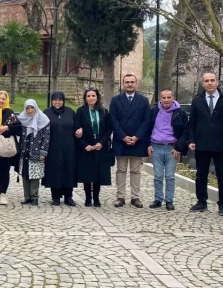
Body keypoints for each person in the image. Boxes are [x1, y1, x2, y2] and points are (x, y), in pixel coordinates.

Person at [188, 73, 223, 214]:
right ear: (202, 84)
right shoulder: (197, 101)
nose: (210, 83)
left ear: (217, 82)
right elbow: (192, 123)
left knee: (222, 175)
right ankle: (201, 202)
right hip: (202, 144)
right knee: (201, 174)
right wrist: (191, 140)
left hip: (221, 144)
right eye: (206, 81)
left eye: (212, 80)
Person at [109, 74, 151, 208]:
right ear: (123, 84)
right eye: (127, 82)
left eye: (132, 82)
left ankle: (135, 197)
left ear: (136, 84)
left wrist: (137, 137)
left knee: (135, 171)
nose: (130, 84)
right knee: (120, 170)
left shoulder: (144, 100)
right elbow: (113, 120)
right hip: (121, 140)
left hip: (138, 141)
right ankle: (120, 197)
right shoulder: (115, 100)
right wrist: (123, 136)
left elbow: (147, 121)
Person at [147, 89, 188, 211]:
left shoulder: (180, 113)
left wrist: (178, 147)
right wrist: (148, 144)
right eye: (163, 97)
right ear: (160, 98)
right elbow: (147, 128)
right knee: (158, 176)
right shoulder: (154, 111)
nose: (166, 100)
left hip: (172, 148)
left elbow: (185, 131)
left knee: (170, 176)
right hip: (156, 147)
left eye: (168, 97)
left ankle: (169, 200)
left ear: (173, 98)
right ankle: (158, 199)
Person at [74, 88, 112, 207]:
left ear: (97, 97)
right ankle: (88, 198)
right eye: (88, 96)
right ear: (85, 98)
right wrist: (85, 144)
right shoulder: (80, 111)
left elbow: (108, 129)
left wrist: (101, 143)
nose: (91, 98)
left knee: (98, 174)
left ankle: (96, 198)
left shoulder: (104, 111)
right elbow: (76, 129)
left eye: (93, 96)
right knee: (87, 174)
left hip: (100, 146)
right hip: (86, 146)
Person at [43, 92, 77, 206]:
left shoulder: (70, 112)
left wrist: (79, 131)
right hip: (52, 147)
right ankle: (56, 197)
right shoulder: (46, 113)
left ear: (63, 100)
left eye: (60, 100)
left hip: (69, 146)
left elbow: (77, 126)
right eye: (55, 100)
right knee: (54, 171)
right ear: (52, 101)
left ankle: (69, 196)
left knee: (69, 170)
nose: (57, 102)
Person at [17, 99, 50, 206]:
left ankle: (34, 197)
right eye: (27, 108)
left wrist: (43, 152)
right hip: (24, 151)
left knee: (34, 175)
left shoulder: (44, 120)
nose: (30, 111)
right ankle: (27, 197)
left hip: (36, 151)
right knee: (25, 175)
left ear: (36, 108)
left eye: (32, 108)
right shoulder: (22, 119)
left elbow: (46, 137)